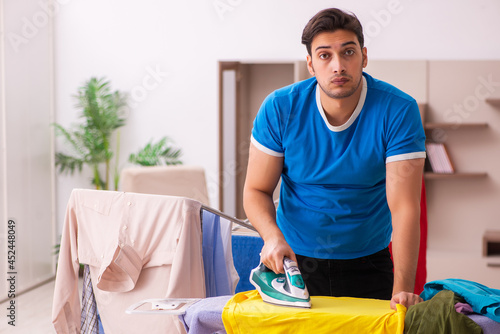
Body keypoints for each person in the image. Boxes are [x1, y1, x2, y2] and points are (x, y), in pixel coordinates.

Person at [243, 7, 426, 309]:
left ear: (364, 57)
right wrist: (272, 237)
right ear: (311, 64)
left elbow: (405, 207)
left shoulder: (398, 111)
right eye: (325, 55)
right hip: (295, 263)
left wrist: (402, 290)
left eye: (348, 52)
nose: (338, 65)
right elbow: (256, 190)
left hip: (369, 262)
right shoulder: (279, 108)